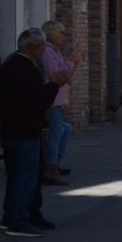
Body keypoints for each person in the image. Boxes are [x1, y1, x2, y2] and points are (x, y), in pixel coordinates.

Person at [0, 29, 57, 238]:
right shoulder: (27, 69)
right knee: (25, 177)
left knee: (15, 177)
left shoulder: (10, 64)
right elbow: (38, 102)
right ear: (33, 48)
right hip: (24, 131)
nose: (43, 50)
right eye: (41, 46)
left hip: (11, 129)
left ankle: (10, 217)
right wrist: (55, 85)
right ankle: (18, 221)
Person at [40, 19, 78, 185]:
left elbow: (64, 75)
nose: (64, 36)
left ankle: (54, 163)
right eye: (61, 32)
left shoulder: (55, 51)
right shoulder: (49, 53)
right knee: (56, 133)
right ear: (52, 34)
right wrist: (71, 62)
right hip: (52, 100)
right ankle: (50, 169)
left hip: (57, 99)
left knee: (64, 129)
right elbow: (56, 76)